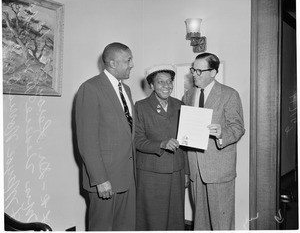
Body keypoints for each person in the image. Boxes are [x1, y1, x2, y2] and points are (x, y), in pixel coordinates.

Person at [75, 42, 136, 231]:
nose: (132, 65)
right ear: (112, 63)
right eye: (128, 60)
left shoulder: (126, 90)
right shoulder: (90, 88)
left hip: (127, 176)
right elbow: (87, 140)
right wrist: (100, 179)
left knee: (125, 227)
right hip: (105, 179)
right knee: (102, 228)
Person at [182, 52, 245, 230]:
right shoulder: (188, 96)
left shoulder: (229, 94)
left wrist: (221, 133)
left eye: (199, 71)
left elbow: (238, 128)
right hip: (196, 169)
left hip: (219, 170)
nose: (194, 74)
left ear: (213, 72)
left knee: (221, 222)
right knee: (200, 221)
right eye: (193, 70)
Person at [135, 64, 190, 230]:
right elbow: (137, 140)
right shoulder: (141, 106)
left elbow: (186, 143)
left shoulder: (180, 105)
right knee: (152, 218)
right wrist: (161, 144)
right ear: (152, 85)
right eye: (160, 82)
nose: (166, 86)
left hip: (176, 170)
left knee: (175, 218)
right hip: (151, 172)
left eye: (169, 81)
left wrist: (186, 171)